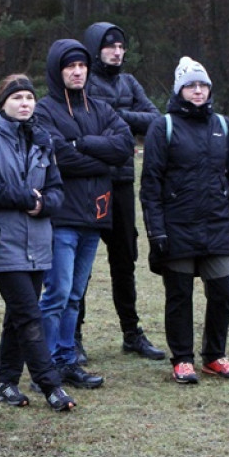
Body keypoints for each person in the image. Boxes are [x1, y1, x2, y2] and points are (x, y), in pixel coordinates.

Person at [0, 75, 76, 412]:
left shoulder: (44, 141)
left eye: (29, 97)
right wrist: (28, 197)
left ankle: (6, 382)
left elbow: (57, 191)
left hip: (39, 244)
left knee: (17, 315)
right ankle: (50, 385)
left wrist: (44, 204)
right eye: (17, 98)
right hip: (4, 244)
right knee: (29, 315)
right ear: (3, 103)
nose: (25, 103)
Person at [140, 57, 229, 384]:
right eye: (191, 85)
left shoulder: (223, 125)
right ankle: (182, 359)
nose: (198, 90)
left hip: (217, 226)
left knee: (222, 292)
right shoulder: (164, 127)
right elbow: (150, 185)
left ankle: (215, 355)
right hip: (177, 229)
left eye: (203, 85)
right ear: (180, 89)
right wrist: (156, 230)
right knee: (179, 297)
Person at [34, 39, 134, 389]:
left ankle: (66, 360)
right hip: (61, 217)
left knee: (75, 294)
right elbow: (58, 157)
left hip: (95, 216)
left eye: (82, 66)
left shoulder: (101, 108)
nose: (77, 72)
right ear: (57, 70)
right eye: (69, 67)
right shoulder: (44, 110)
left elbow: (123, 148)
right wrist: (98, 156)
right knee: (57, 294)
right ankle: (44, 367)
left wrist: (83, 144)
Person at [74, 21, 165, 363]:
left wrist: (114, 116)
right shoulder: (83, 80)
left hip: (123, 182)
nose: (116, 51)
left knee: (124, 259)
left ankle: (131, 332)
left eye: (121, 46)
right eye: (109, 45)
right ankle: (74, 333)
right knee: (79, 263)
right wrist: (122, 126)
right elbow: (86, 125)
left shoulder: (129, 82)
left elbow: (155, 119)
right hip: (89, 183)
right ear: (95, 48)